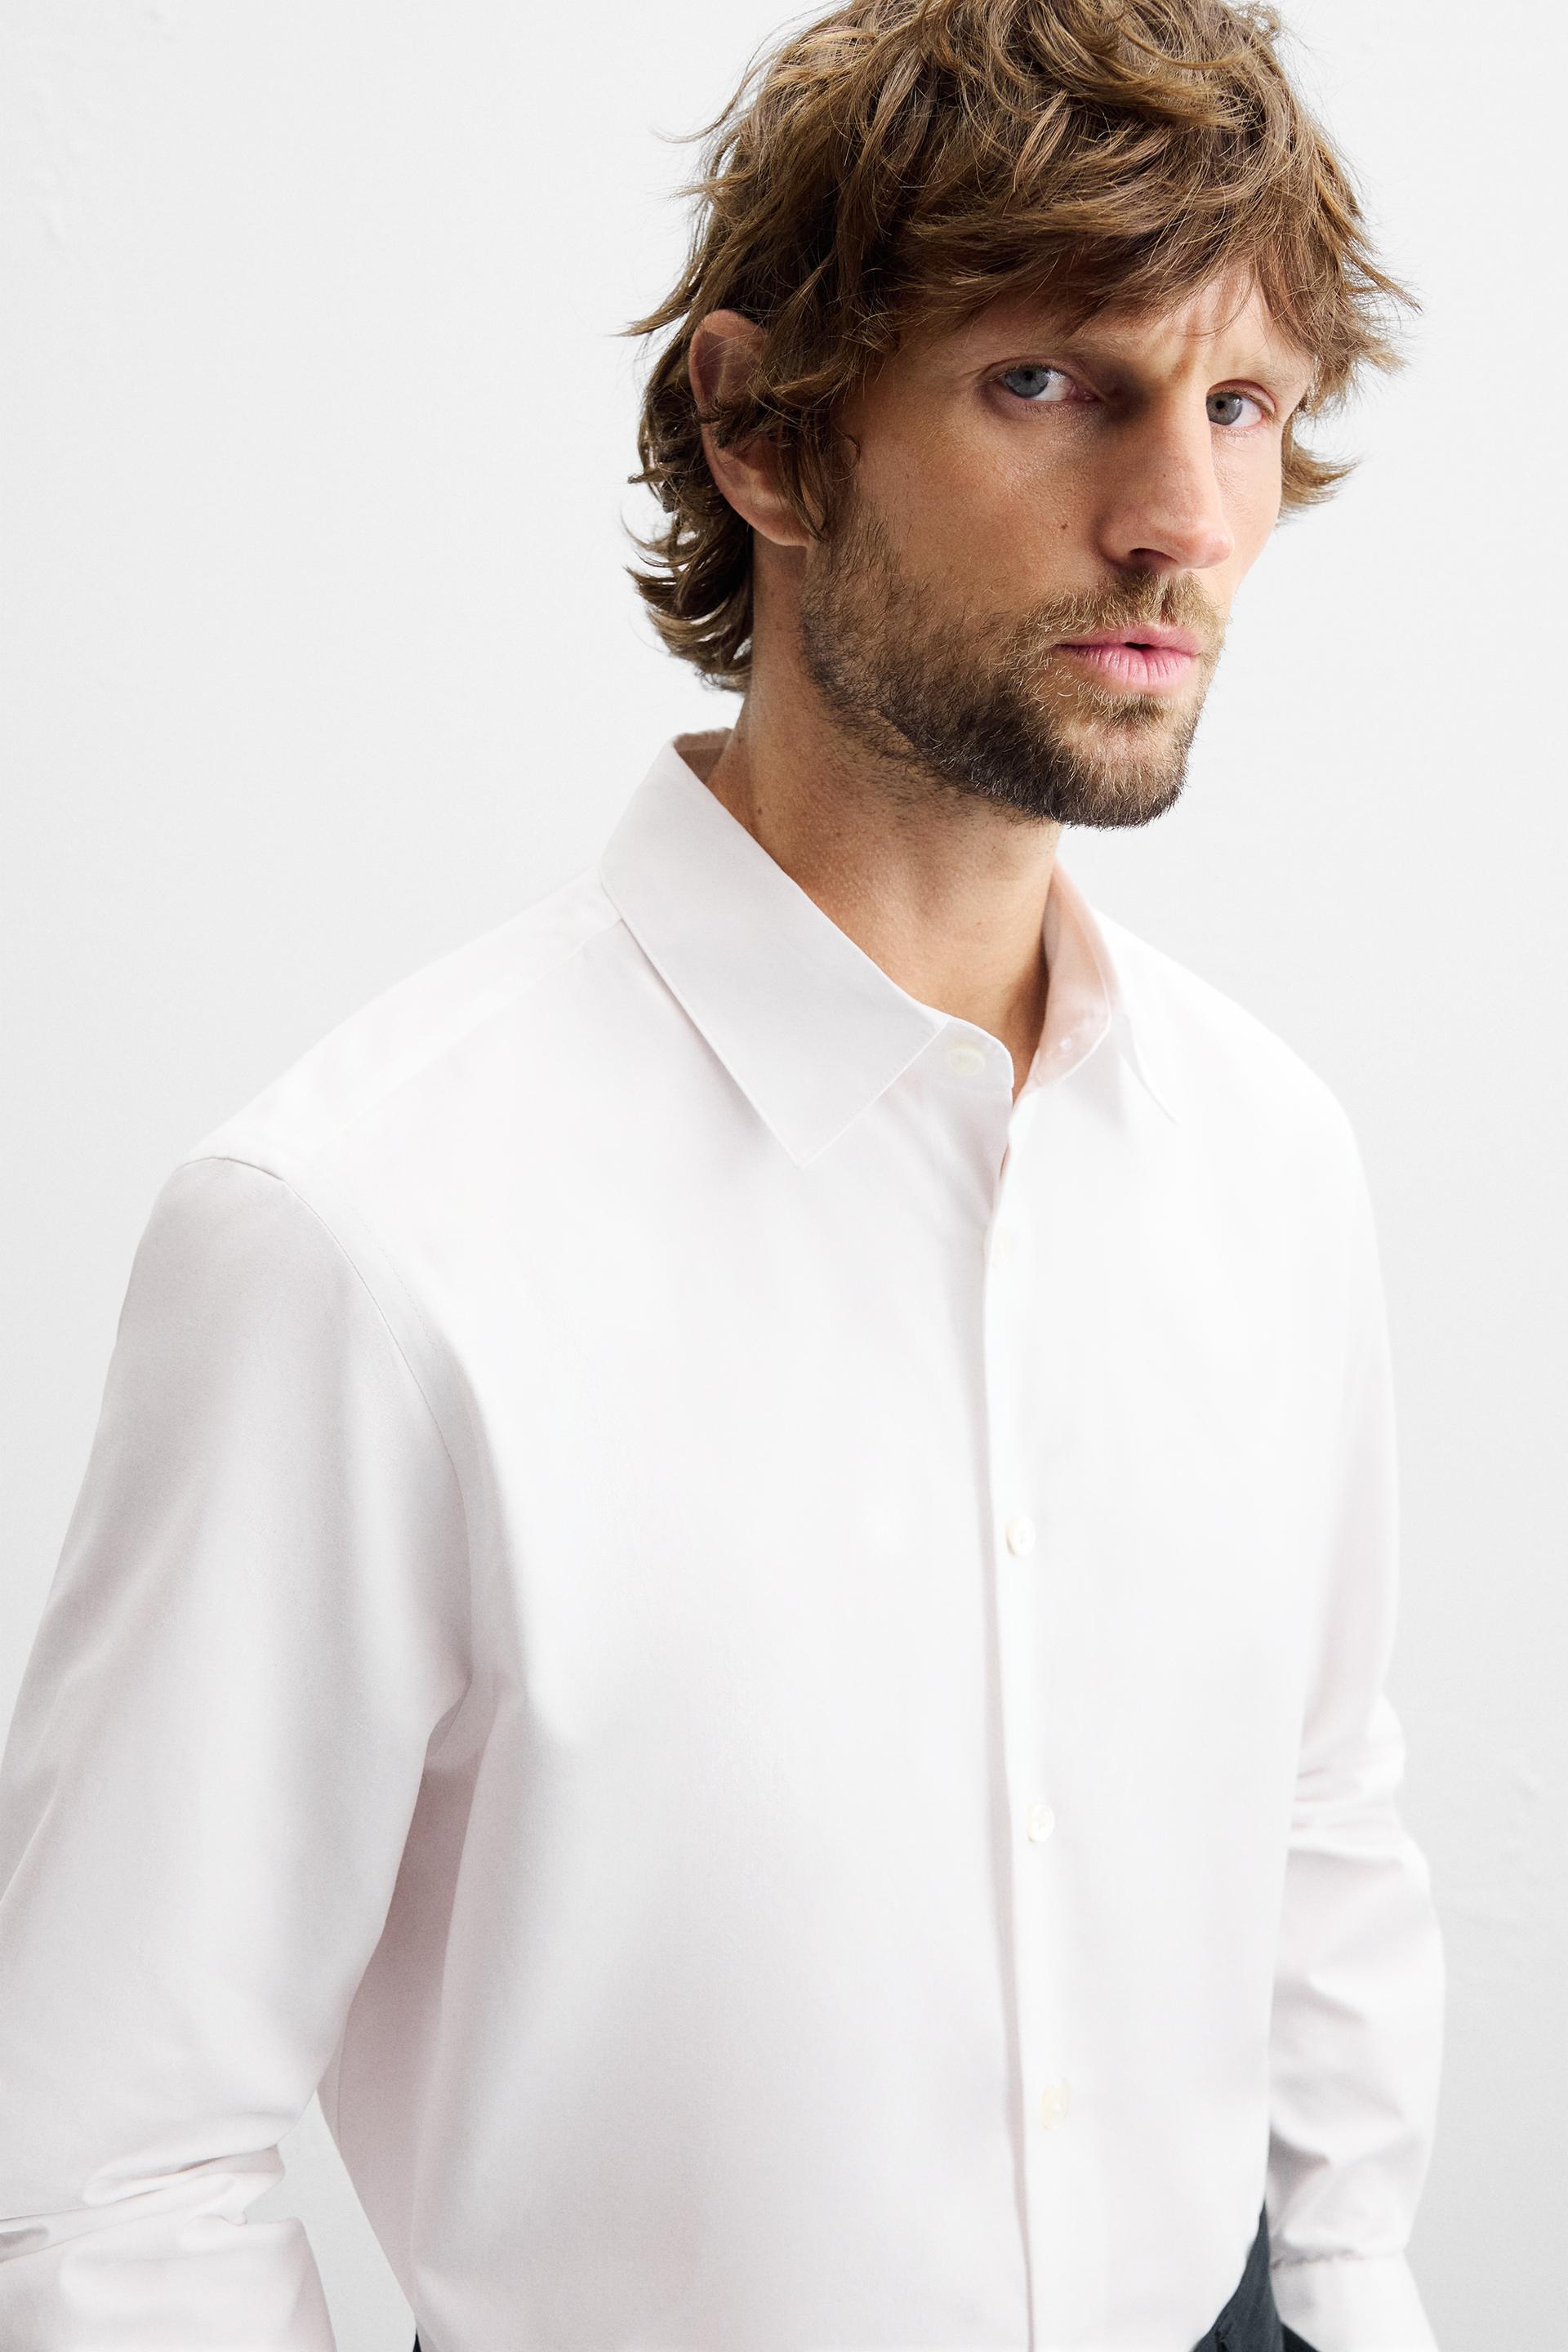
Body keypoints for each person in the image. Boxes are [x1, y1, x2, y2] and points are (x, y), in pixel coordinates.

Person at [0, 1, 1446, 2345]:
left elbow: (1315, 1830)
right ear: (762, 432)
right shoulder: (355, 1237)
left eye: (1244, 406)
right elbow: (110, 2161)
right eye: (1052, 382)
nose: (1183, 520)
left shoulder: (1272, 1163)